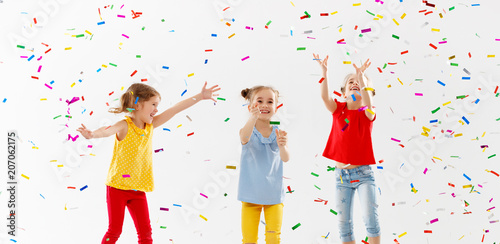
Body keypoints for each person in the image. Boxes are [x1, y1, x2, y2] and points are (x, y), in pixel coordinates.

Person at [77, 82, 220, 244]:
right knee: (115, 230)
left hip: (138, 189)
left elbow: (175, 109)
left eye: (157, 105)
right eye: (153, 104)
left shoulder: (150, 126)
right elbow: (106, 130)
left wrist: (200, 96)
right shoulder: (125, 125)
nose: (156, 109)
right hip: (117, 187)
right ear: (137, 105)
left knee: (146, 234)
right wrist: (92, 135)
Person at [313, 53, 380, 244]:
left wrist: (362, 80)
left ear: (369, 92)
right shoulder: (339, 110)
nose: (355, 83)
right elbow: (324, 96)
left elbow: (368, 104)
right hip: (341, 176)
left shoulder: (367, 112)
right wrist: (324, 72)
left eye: (359, 82)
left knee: (370, 219)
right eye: (351, 81)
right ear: (343, 92)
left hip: (364, 174)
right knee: (344, 224)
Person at [238, 85, 290, 244]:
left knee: (274, 237)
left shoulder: (278, 131)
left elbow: (286, 158)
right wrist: (252, 118)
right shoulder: (248, 130)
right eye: (259, 101)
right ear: (250, 107)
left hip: (273, 196)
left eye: (270, 102)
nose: (265, 105)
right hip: (250, 196)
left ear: (276, 107)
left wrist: (283, 146)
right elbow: (243, 137)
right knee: (249, 239)